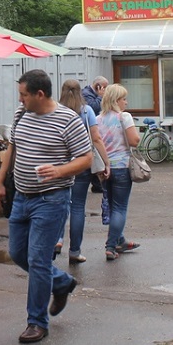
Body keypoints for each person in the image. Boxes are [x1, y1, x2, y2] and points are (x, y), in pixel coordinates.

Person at [0, 69, 93, 344]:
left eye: (24, 95)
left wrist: (61, 170)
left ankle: (37, 323)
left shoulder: (68, 120)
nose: (20, 99)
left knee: (38, 260)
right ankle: (61, 282)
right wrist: (0, 182)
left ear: (40, 94)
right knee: (17, 253)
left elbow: (86, 158)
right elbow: (11, 148)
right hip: (22, 196)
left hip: (51, 199)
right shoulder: (21, 114)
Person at [54, 79, 109, 264]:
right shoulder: (87, 111)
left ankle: (58, 240)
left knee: (59, 205)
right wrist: (106, 163)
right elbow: (96, 138)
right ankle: (75, 251)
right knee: (77, 207)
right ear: (80, 92)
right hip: (80, 164)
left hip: (59, 166)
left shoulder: (54, 111)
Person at [95, 84, 141, 262]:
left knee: (113, 207)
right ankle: (111, 246)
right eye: (123, 99)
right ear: (115, 101)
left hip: (104, 169)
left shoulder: (98, 119)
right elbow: (134, 140)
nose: (126, 102)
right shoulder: (124, 117)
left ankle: (120, 240)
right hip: (122, 166)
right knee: (120, 208)